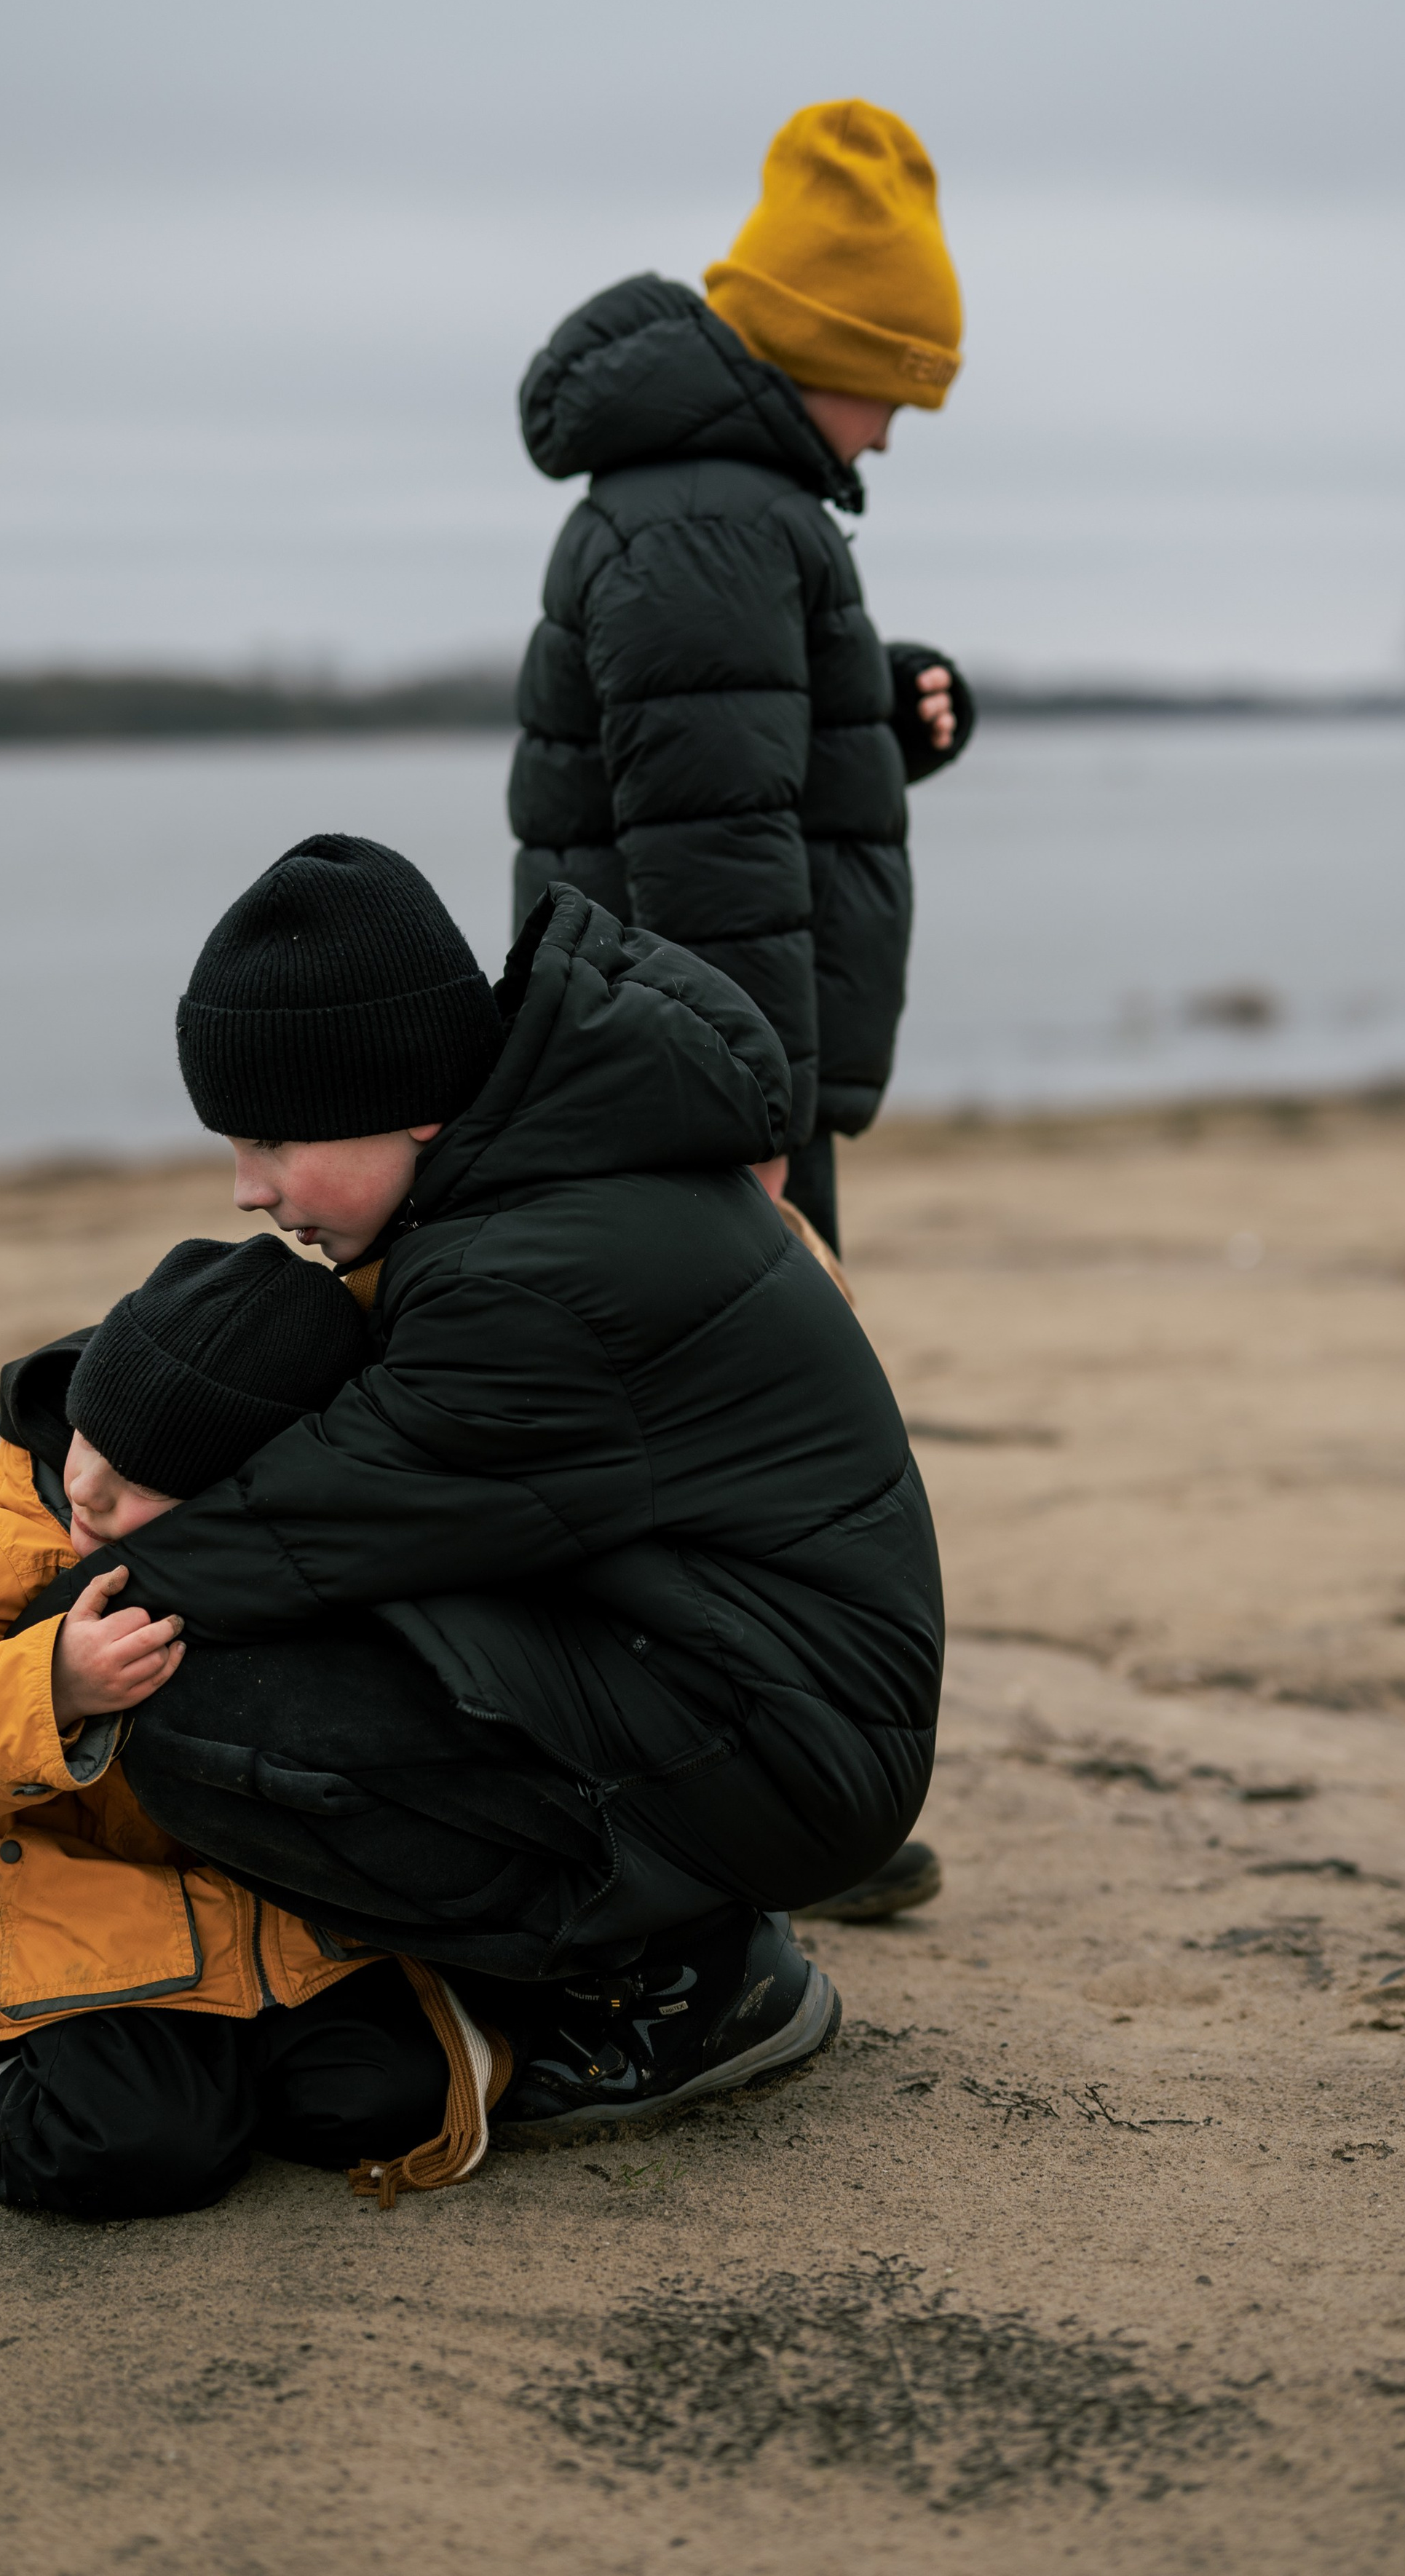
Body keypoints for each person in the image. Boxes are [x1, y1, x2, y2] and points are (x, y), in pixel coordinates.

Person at [23, 831, 946, 2145]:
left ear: (407, 1096)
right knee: (231, 1644)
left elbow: (318, 1525)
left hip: (788, 1742)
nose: (249, 1191)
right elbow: (317, 1435)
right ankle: (655, 1922)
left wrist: (57, 1621)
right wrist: (69, 1420)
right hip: (729, 1675)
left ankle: (679, 1983)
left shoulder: (531, 1274)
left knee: (197, 1708)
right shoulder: (530, 1182)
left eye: (276, 1139)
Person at [509, 98, 971, 1921]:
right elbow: (708, 854)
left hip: (695, 1065)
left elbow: (747, 773)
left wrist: (893, 697)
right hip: (693, 1081)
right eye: (892, 380)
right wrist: (753, 1126)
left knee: (735, 1463)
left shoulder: (731, 504)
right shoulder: (708, 516)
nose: (900, 421)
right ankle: (760, 1813)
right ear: (818, 348)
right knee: (757, 1471)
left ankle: (768, 1805)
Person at [0, 1233, 510, 2219]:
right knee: (126, 2152)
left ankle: (216, 2081)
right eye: (90, 1445)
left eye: (143, 1483)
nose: (91, 1495)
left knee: (394, 2105)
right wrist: (48, 1687)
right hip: (104, 1928)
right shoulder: (15, 1521)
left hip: (291, 1922)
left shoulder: (309, 1542)